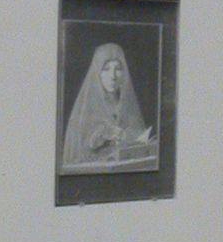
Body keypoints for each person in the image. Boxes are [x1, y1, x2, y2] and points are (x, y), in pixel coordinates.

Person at [61, 40, 156, 171]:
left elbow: (139, 143)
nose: (113, 76)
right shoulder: (83, 110)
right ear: (97, 73)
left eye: (118, 69)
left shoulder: (127, 106)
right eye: (106, 69)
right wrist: (103, 134)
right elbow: (76, 155)